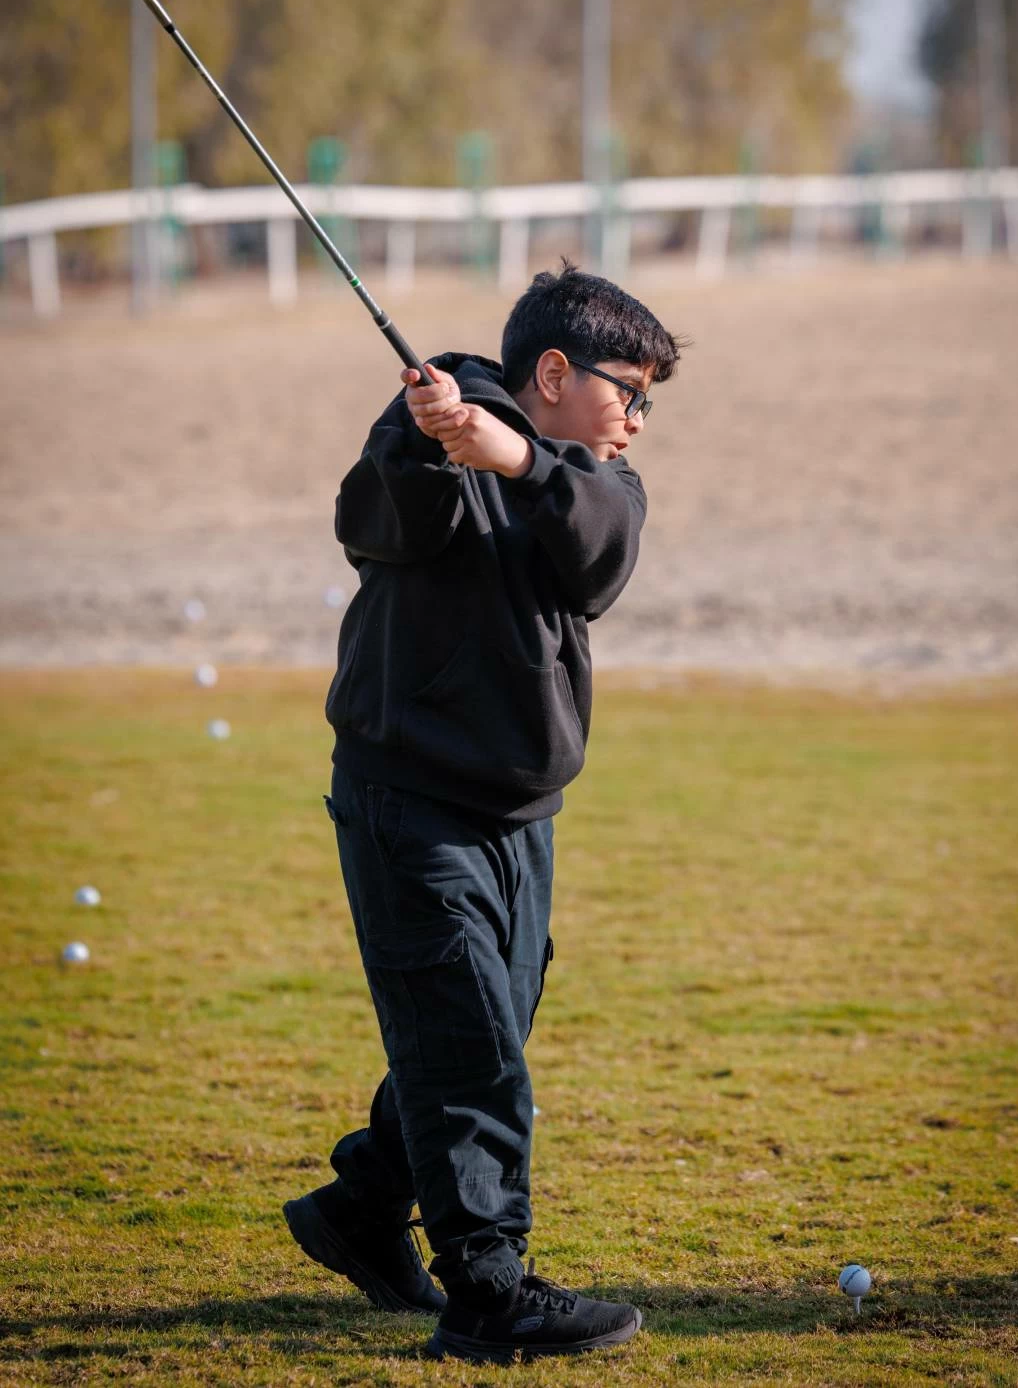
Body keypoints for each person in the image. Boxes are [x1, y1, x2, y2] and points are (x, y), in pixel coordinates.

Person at [283, 261, 682, 1363]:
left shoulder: (600, 480)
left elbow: (599, 555)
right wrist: (429, 442)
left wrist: (518, 457)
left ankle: (363, 1208)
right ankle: (490, 1292)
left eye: (651, 401)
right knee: (471, 1055)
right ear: (553, 371)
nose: (638, 420)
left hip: (522, 815)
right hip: (410, 801)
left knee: (477, 1030)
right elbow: (373, 523)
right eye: (628, 391)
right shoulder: (433, 421)